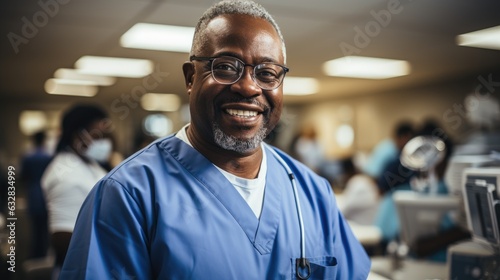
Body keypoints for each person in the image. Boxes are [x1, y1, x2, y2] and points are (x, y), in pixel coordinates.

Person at [60, 1, 371, 279]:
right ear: (191, 78)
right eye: (225, 67)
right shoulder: (128, 195)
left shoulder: (312, 192)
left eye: (267, 73)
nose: (248, 87)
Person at [41, 104, 113, 277]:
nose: (106, 142)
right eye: (99, 135)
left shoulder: (88, 163)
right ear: (78, 136)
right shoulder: (65, 176)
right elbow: (64, 242)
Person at [20, 130, 53, 259]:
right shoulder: (49, 157)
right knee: (45, 230)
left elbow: (23, 177)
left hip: (33, 194)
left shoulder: (28, 157)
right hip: (46, 195)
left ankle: (35, 256)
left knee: (35, 230)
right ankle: (44, 257)